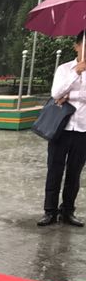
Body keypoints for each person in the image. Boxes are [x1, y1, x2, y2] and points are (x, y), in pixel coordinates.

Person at [38, 31, 86, 227]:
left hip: (83, 129)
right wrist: (76, 73)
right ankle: (50, 211)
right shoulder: (64, 69)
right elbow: (56, 93)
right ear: (77, 46)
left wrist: (69, 96)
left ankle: (68, 211)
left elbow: (66, 96)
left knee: (75, 172)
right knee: (55, 169)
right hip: (60, 127)